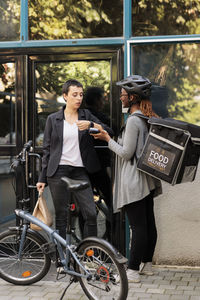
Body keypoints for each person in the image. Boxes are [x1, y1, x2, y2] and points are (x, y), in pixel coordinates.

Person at [91, 75, 161, 283]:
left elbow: (125, 153)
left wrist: (106, 139)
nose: (120, 98)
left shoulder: (133, 121)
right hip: (145, 180)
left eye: (122, 95)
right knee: (148, 224)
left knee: (138, 227)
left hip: (134, 181)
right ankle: (146, 265)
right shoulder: (145, 117)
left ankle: (132, 271)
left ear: (132, 97)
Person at [36, 79, 113, 262]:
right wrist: (42, 178)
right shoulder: (52, 119)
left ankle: (88, 256)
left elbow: (110, 130)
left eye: (81, 94)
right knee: (62, 216)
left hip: (80, 171)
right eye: (74, 95)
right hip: (58, 172)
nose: (79, 98)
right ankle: (63, 259)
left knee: (91, 214)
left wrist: (92, 126)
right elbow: (47, 150)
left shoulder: (86, 115)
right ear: (65, 96)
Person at [84, 87, 113, 240]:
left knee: (85, 207)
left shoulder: (81, 116)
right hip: (99, 167)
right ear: (96, 100)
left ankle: (86, 240)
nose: (104, 102)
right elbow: (111, 131)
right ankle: (110, 237)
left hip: (84, 168)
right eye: (102, 99)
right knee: (110, 202)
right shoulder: (100, 117)